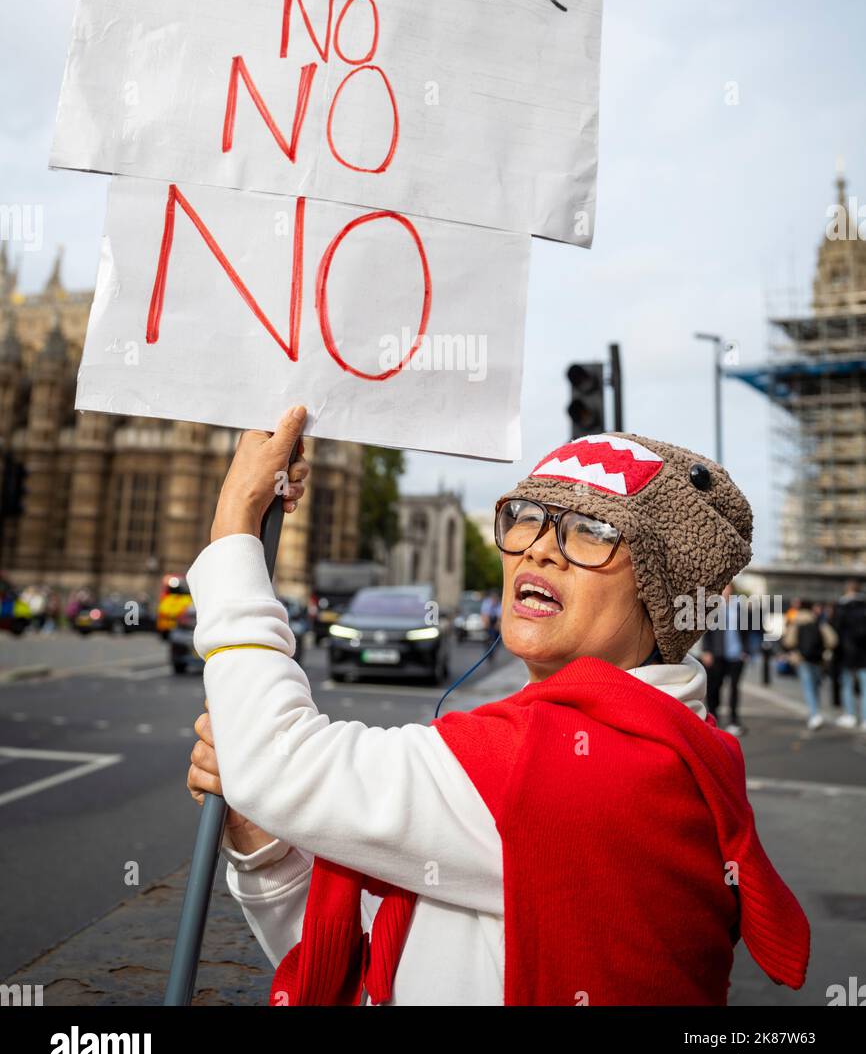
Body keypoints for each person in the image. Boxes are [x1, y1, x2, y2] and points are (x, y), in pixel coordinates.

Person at [187, 413, 810, 1006]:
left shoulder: (591, 763)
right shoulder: (650, 740)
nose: (540, 549)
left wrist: (235, 524)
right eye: (528, 516)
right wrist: (264, 845)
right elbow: (385, 965)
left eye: (593, 532)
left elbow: (280, 761)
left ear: (662, 594)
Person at [699, 583, 750, 737]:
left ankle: (734, 720)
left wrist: (745, 651)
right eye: (723, 587)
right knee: (715, 687)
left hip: (736, 654)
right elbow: (705, 631)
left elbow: (747, 630)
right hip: (717, 654)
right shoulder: (713, 606)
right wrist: (706, 651)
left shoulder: (739, 607)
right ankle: (714, 717)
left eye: (728, 588)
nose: (726, 591)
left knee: (734, 688)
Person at [780, 599, 838, 730]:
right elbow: (832, 639)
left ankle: (814, 714)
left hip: (802, 659)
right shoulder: (818, 621)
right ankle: (816, 711)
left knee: (808, 687)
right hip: (818, 659)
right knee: (816, 686)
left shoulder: (796, 621)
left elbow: (788, 642)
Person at [834, 580, 866, 730]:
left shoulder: (842, 607)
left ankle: (851, 715)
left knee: (847, 684)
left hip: (846, 652)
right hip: (863, 653)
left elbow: (835, 630)